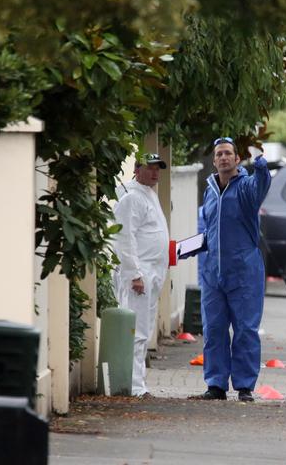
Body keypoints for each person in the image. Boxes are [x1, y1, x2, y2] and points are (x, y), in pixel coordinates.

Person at [194, 137, 271, 402]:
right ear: (214, 161)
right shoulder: (210, 191)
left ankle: (245, 386)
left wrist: (260, 162)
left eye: (229, 153)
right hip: (213, 273)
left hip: (244, 272)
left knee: (245, 329)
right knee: (213, 329)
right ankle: (215, 384)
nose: (224, 157)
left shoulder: (247, 187)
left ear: (237, 160)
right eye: (219, 154)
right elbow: (206, 226)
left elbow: (262, 185)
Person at [112, 153, 169, 397]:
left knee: (144, 330)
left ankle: (138, 383)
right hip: (141, 274)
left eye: (158, 168)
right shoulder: (132, 197)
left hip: (151, 272)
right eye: (150, 168)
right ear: (137, 169)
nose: (155, 173)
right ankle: (134, 386)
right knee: (137, 330)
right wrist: (134, 274)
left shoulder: (148, 194)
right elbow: (124, 238)